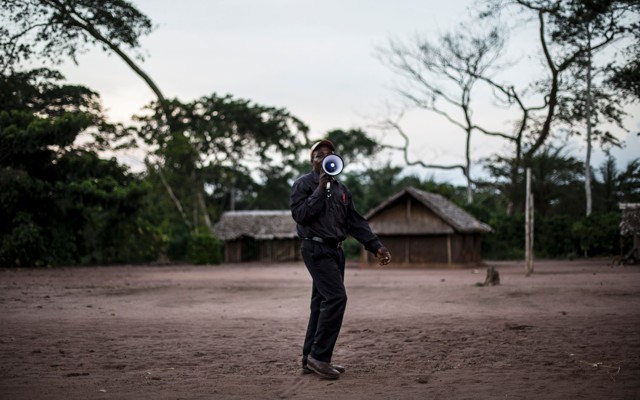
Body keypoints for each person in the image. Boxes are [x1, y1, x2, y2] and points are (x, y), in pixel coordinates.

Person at [290, 139, 392, 380]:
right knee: (336, 298)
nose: (325, 158)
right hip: (314, 249)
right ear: (312, 161)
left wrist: (375, 246)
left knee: (321, 303)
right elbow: (300, 215)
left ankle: (309, 359)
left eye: (329, 154)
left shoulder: (342, 190)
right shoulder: (302, 184)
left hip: (336, 251)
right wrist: (319, 190)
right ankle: (320, 358)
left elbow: (355, 222)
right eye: (319, 155)